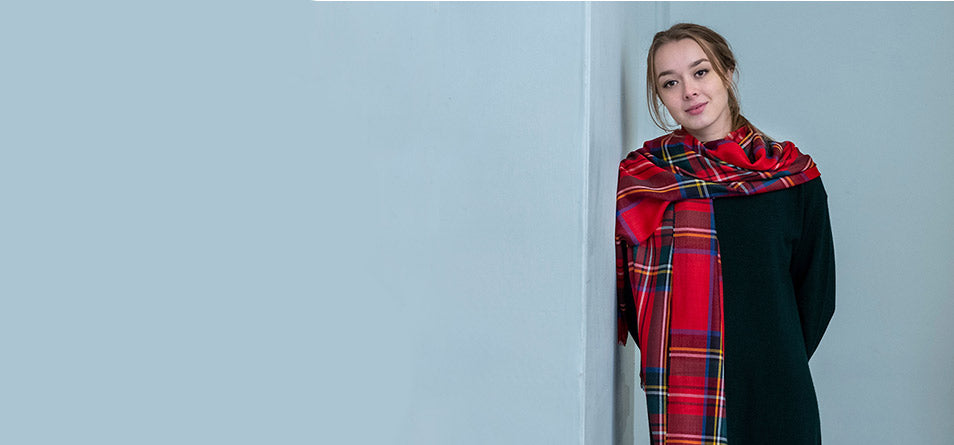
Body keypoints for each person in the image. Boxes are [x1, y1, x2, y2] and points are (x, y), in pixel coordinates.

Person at [616, 23, 835, 445]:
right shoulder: (647, 181)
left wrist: (772, 358)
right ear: (660, 96)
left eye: (701, 72)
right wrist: (681, 366)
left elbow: (818, 293)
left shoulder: (793, 178)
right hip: (685, 391)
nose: (689, 92)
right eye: (670, 82)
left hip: (778, 390)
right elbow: (634, 299)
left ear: (727, 73)